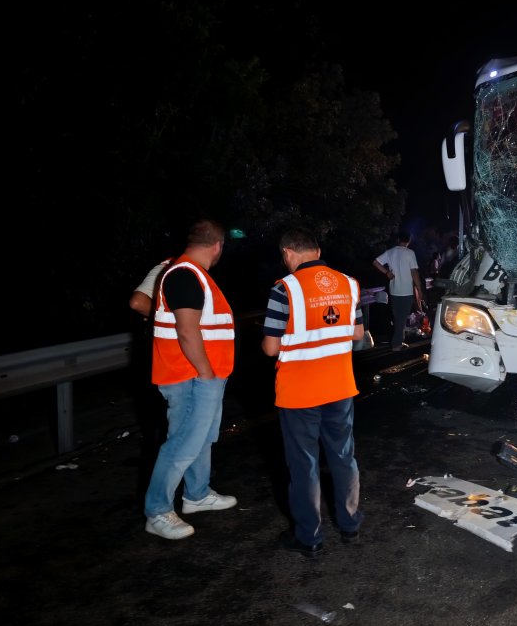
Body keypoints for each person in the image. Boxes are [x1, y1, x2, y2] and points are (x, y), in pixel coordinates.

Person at [261, 227, 365, 558]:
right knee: (343, 457)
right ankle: (350, 524)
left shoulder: (284, 289)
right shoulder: (349, 284)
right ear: (317, 252)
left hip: (299, 393)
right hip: (339, 386)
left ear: (288, 253)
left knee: (304, 465)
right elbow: (358, 333)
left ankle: (310, 537)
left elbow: (270, 348)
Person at [143, 219, 238, 540]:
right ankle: (157, 511)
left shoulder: (190, 274)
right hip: (191, 375)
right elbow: (186, 330)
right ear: (217, 245)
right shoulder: (184, 274)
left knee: (200, 438)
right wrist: (206, 372)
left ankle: (196, 495)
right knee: (184, 442)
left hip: (197, 374)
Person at [128, 256, 172, 500]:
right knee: (162, 429)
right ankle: (157, 499)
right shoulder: (170, 266)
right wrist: (170, 320)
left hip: (161, 359)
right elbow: (137, 301)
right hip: (160, 358)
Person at [372, 230, 424, 351]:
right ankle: (397, 344)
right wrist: (419, 289)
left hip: (394, 290)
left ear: (398, 239)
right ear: (409, 241)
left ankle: (399, 340)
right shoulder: (410, 253)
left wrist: (386, 273)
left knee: (398, 317)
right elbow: (414, 272)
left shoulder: (390, 252)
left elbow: (375, 262)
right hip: (406, 291)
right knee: (402, 317)